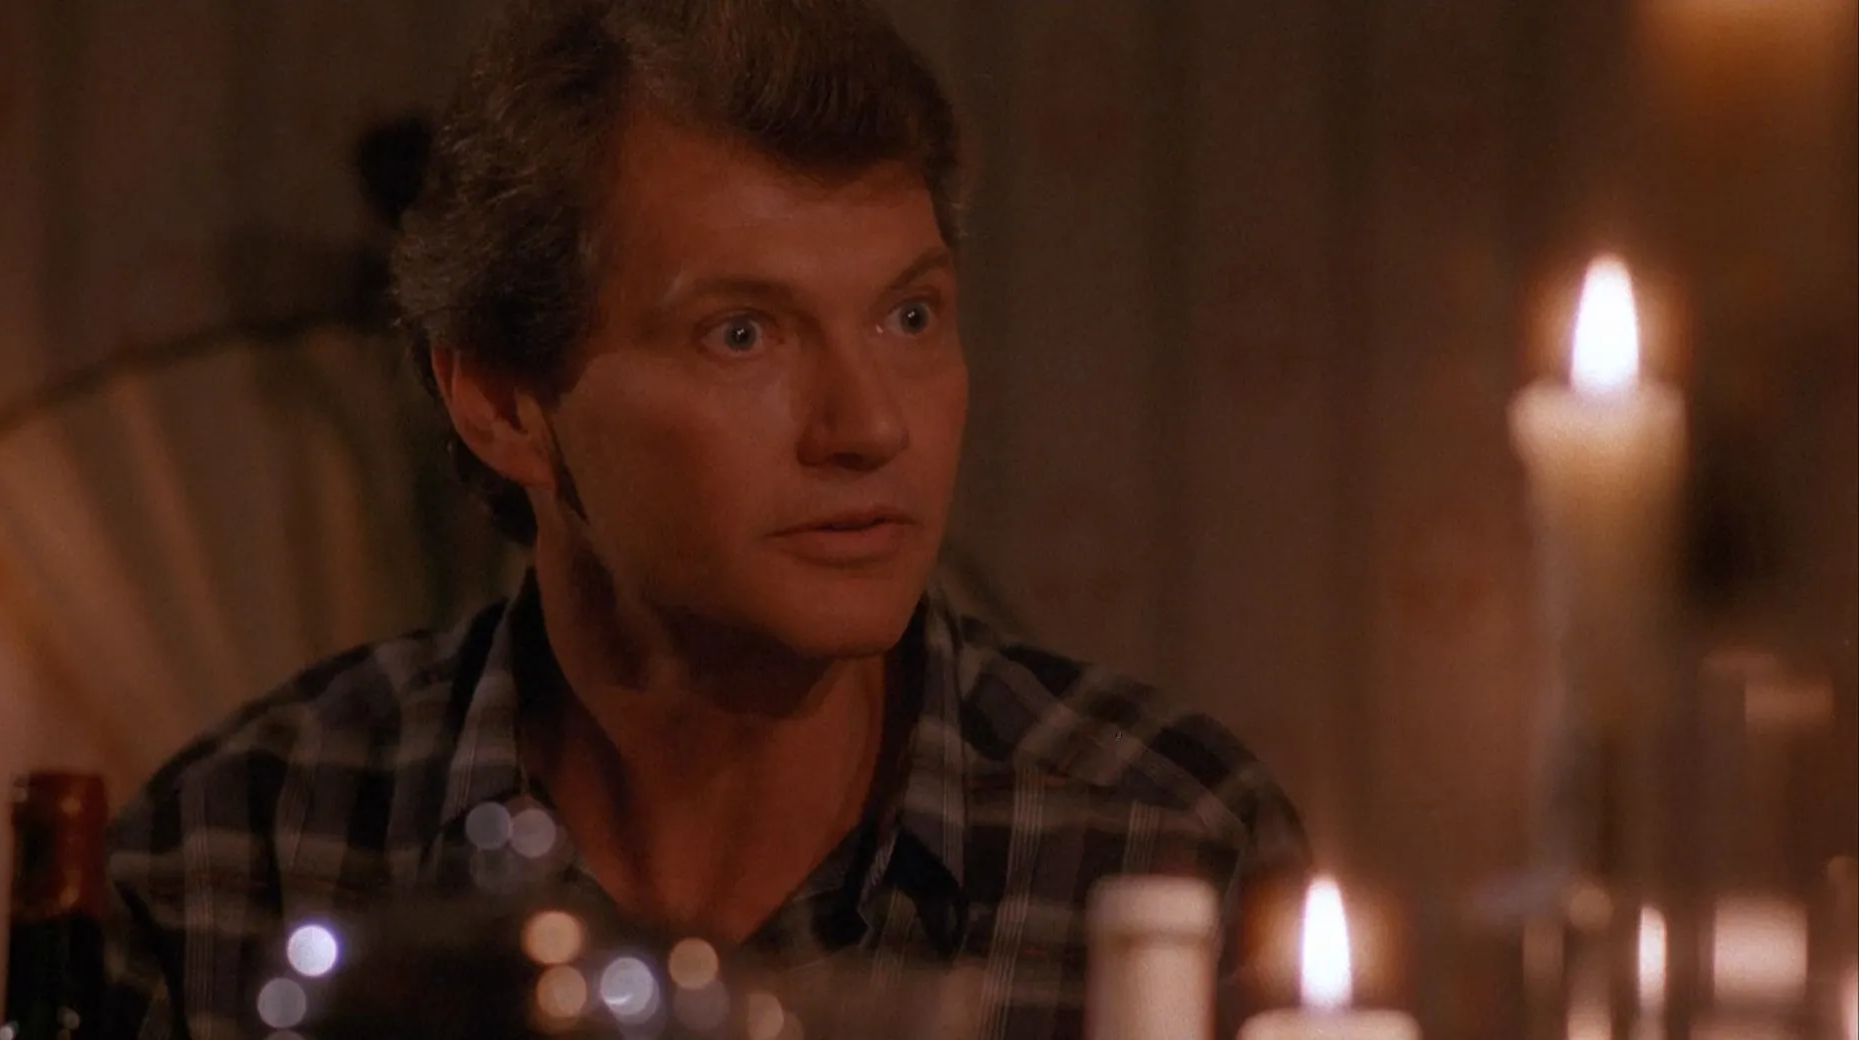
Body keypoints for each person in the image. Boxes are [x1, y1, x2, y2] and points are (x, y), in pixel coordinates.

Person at [100, 2, 1309, 1037]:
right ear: (503, 402)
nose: (869, 426)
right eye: (743, 333)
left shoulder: (1165, 842)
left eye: (910, 316)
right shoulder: (236, 858)